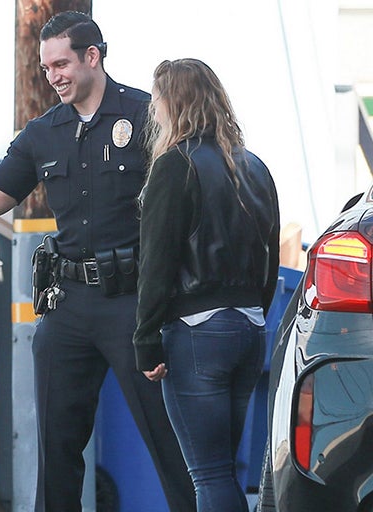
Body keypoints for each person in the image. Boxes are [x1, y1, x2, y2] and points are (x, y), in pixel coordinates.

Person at [0, 11, 195, 512]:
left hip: (136, 303)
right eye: (45, 68)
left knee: (169, 442)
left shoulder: (146, 116)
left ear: (92, 57)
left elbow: (188, 197)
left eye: (61, 64)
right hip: (70, 303)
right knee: (56, 447)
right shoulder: (43, 132)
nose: (52, 76)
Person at [133, 58, 280, 512]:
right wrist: (255, 313)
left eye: (156, 99)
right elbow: (271, 259)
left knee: (209, 475)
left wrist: (146, 342)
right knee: (225, 470)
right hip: (250, 329)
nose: (152, 109)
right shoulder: (254, 167)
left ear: (173, 103)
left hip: (197, 333)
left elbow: (156, 263)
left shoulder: (176, 165)